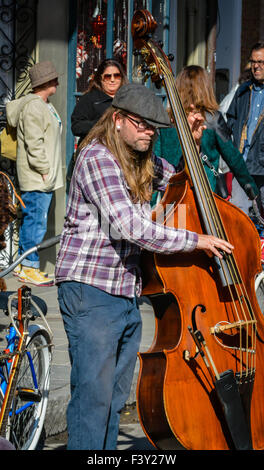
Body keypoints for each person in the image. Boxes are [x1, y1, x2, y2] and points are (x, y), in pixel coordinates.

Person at [55, 82, 233, 450]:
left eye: (155, 127)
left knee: (115, 401)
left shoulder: (142, 157)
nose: (150, 133)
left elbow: (186, 185)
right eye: (143, 124)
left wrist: (195, 143)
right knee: (94, 400)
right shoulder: (97, 157)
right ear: (118, 119)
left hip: (125, 291)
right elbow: (130, 227)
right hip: (90, 289)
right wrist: (196, 241)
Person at [152, 65, 258, 207]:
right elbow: (234, 158)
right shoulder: (212, 118)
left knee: (178, 227)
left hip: (173, 196)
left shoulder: (168, 118)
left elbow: (155, 161)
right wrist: (251, 190)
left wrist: (151, 204)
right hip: (206, 195)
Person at [6, 61, 63, 286]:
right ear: (46, 82)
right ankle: (28, 266)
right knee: (35, 223)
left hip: (41, 177)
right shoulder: (34, 107)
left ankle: (26, 265)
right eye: (54, 78)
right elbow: (34, 142)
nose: (57, 81)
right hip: (37, 177)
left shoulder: (44, 104)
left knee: (35, 221)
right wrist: (44, 170)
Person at [227, 42, 264, 217]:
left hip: (262, 169)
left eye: (261, 62)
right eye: (253, 61)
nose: (256, 66)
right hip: (241, 167)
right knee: (238, 218)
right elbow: (229, 123)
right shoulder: (242, 91)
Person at [71, 58, 127, 145]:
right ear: (100, 78)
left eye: (116, 76)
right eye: (108, 76)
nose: (112, 80)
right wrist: (104, 125)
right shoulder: (90, 98)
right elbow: (76, 127)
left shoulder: (128, 98)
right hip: (96, 150)